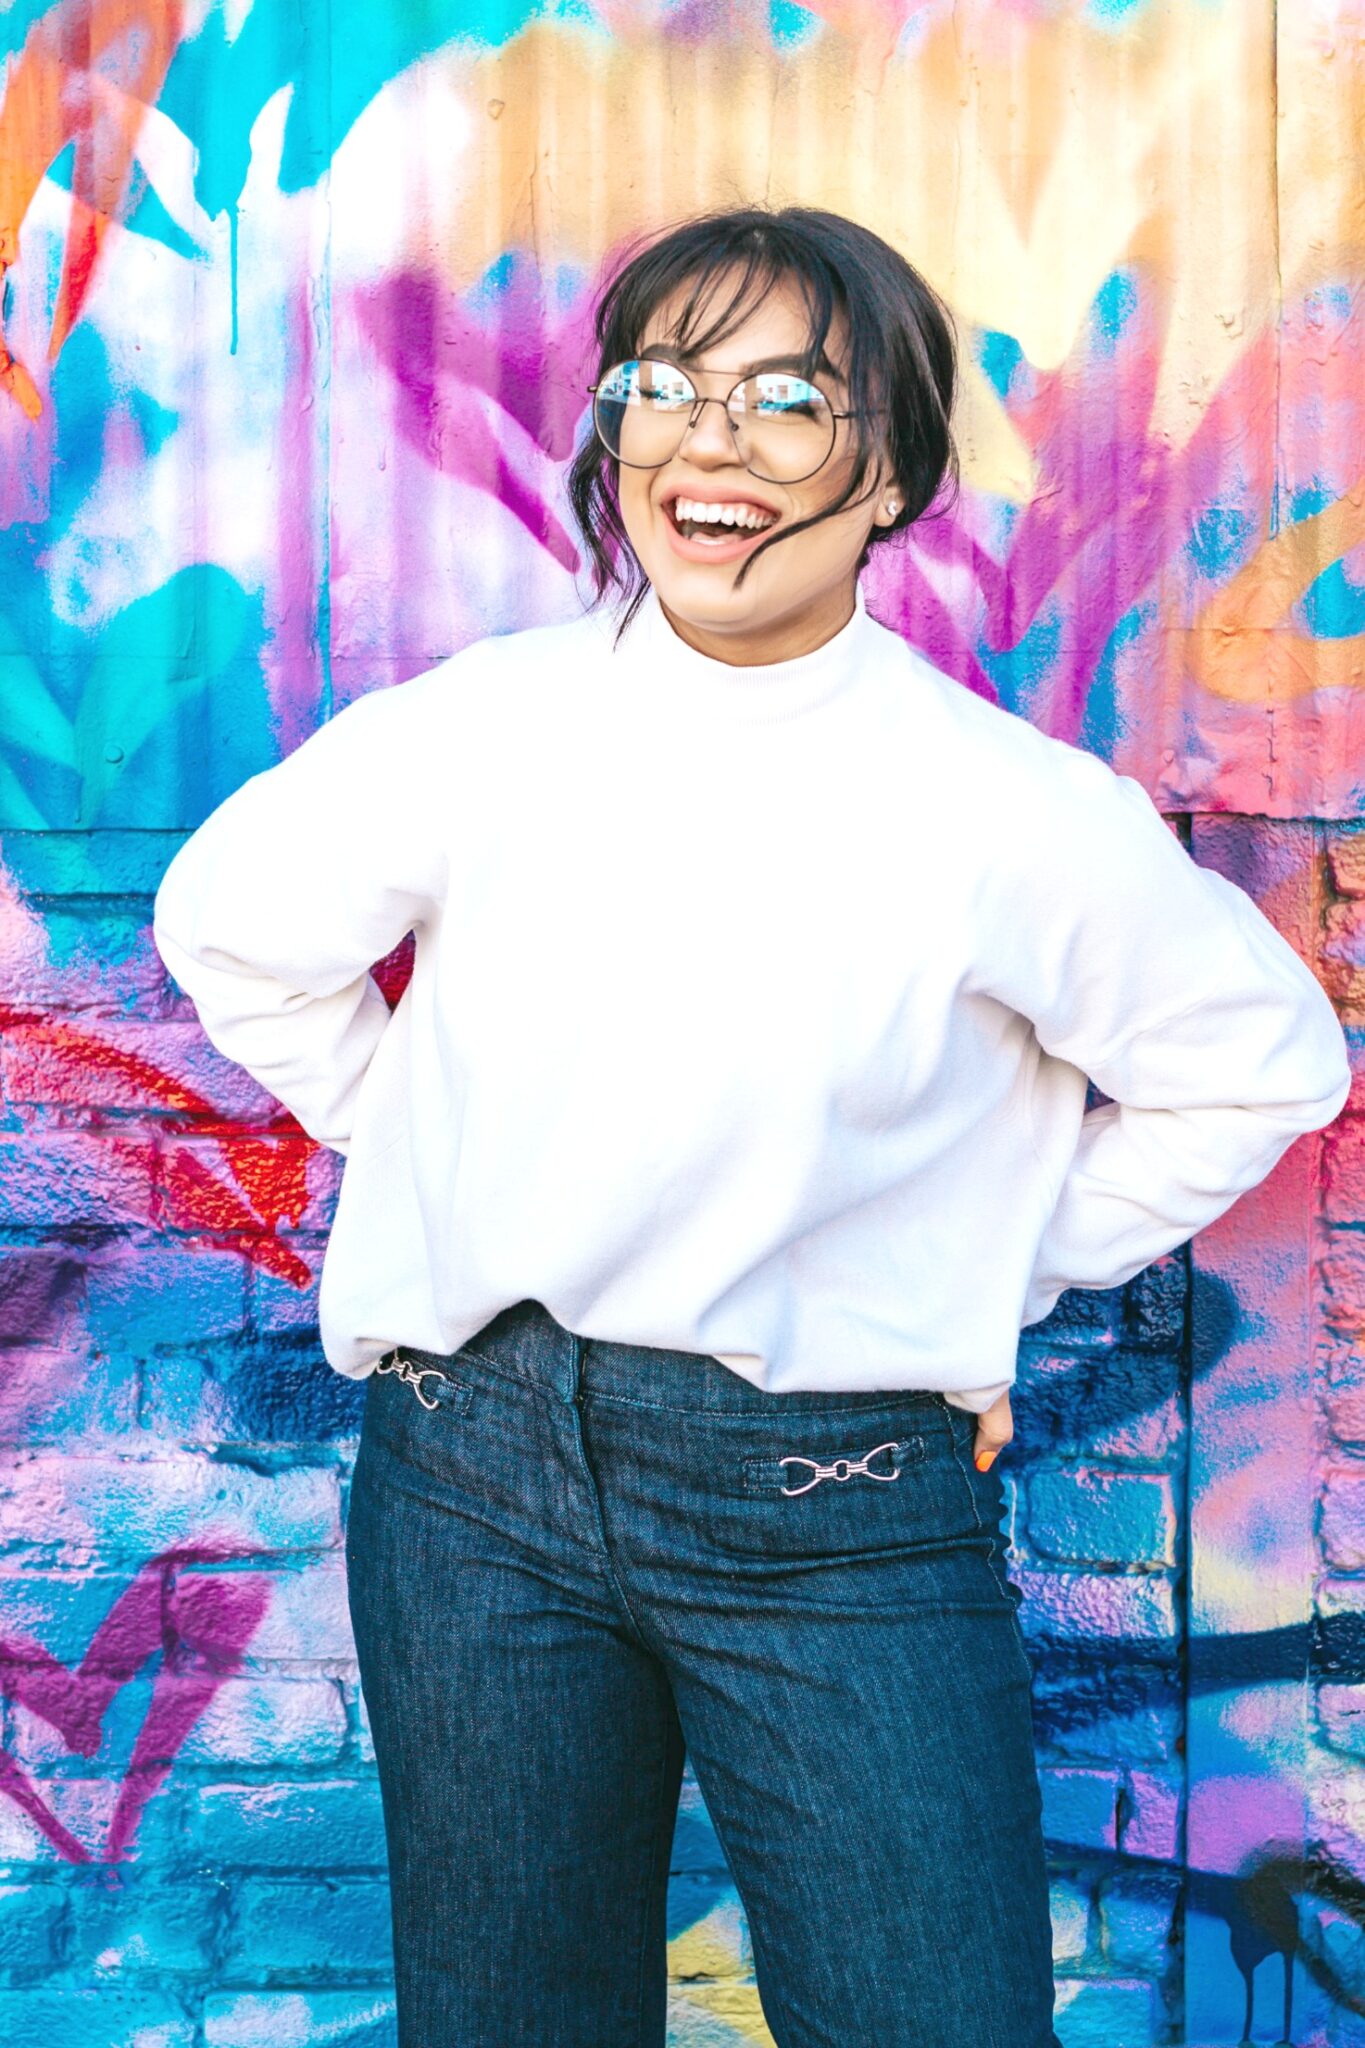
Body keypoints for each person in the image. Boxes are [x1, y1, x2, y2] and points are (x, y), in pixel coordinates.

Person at [151, 205, 1351, 2047]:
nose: (708, 443)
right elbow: (234, 928)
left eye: (789, 401)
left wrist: (988, 1263)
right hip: (470, 1483)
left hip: (835, 1509)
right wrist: (416, 1140)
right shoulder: (487, 728)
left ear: (891, 475)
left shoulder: (1002, 810)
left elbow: (1260, 1065)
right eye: (663, 388)